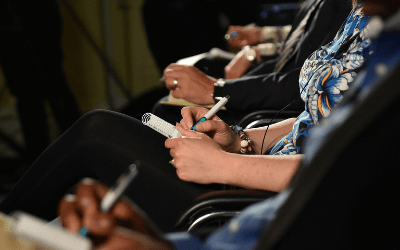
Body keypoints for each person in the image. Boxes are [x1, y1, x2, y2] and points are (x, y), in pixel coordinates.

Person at [0, 1, 371, 234]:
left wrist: (226, 166)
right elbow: (322, 116)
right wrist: (240, 139)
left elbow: (352, 166)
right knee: (118, 126)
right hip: (254, 167)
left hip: (272, 201)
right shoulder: (360, 15)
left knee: (98, 132)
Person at [154, 0, 353, 125]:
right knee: (206, 62)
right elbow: (306, 36)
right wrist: (258, 39)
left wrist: (217, 89)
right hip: (278, 82)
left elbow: (308, 82)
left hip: (281, 107)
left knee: (164, 110)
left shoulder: (353, 9)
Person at [0, 0, 81, 163]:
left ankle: (83, 151)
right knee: (27, 96)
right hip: (9, 23)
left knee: (53, 85)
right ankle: (38, 164)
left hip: (37, 17)